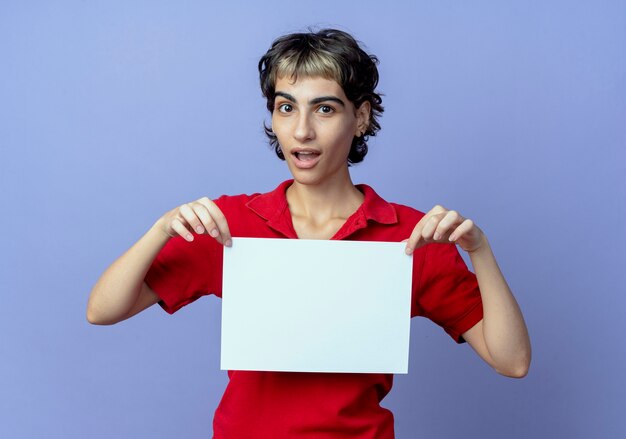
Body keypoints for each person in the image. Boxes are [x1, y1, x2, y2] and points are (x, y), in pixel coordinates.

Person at [87, 28, 531, 438]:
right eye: (286, 107)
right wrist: (161, 228)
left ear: (360, 117)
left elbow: (512, 360)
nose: (302, 130)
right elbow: (103, 310)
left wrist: (481, 250)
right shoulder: (230, 225)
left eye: (324, 108)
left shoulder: (411, 237)